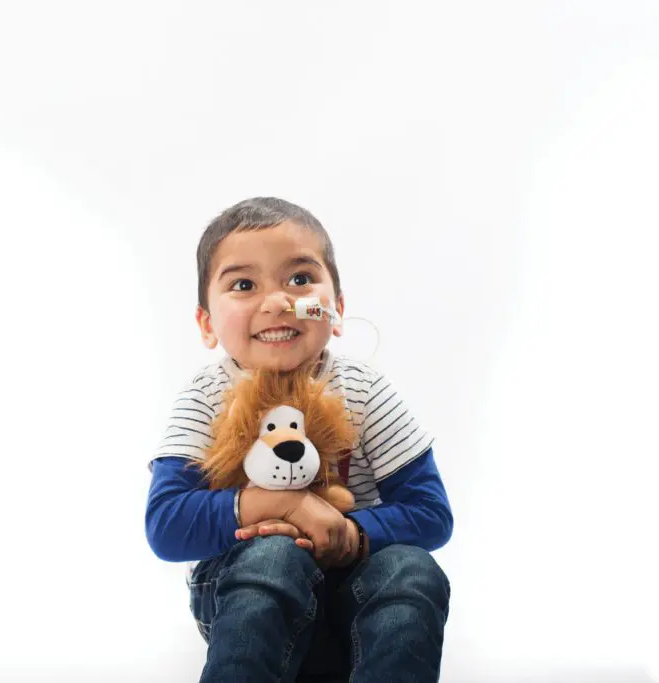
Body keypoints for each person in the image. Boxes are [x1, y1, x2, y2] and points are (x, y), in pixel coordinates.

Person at [145, 197, 453, 682]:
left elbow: (431, 514)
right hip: (246, 596)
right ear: (206, 323)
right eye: (244, 285)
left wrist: (349, 536)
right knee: (272, 556)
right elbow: (166, 524)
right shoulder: (208, 396)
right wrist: (283, 506)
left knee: (412, 571)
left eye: (300, 279)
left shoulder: (363, 390)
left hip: (355, 602)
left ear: (336, 309)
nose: (278, 302)